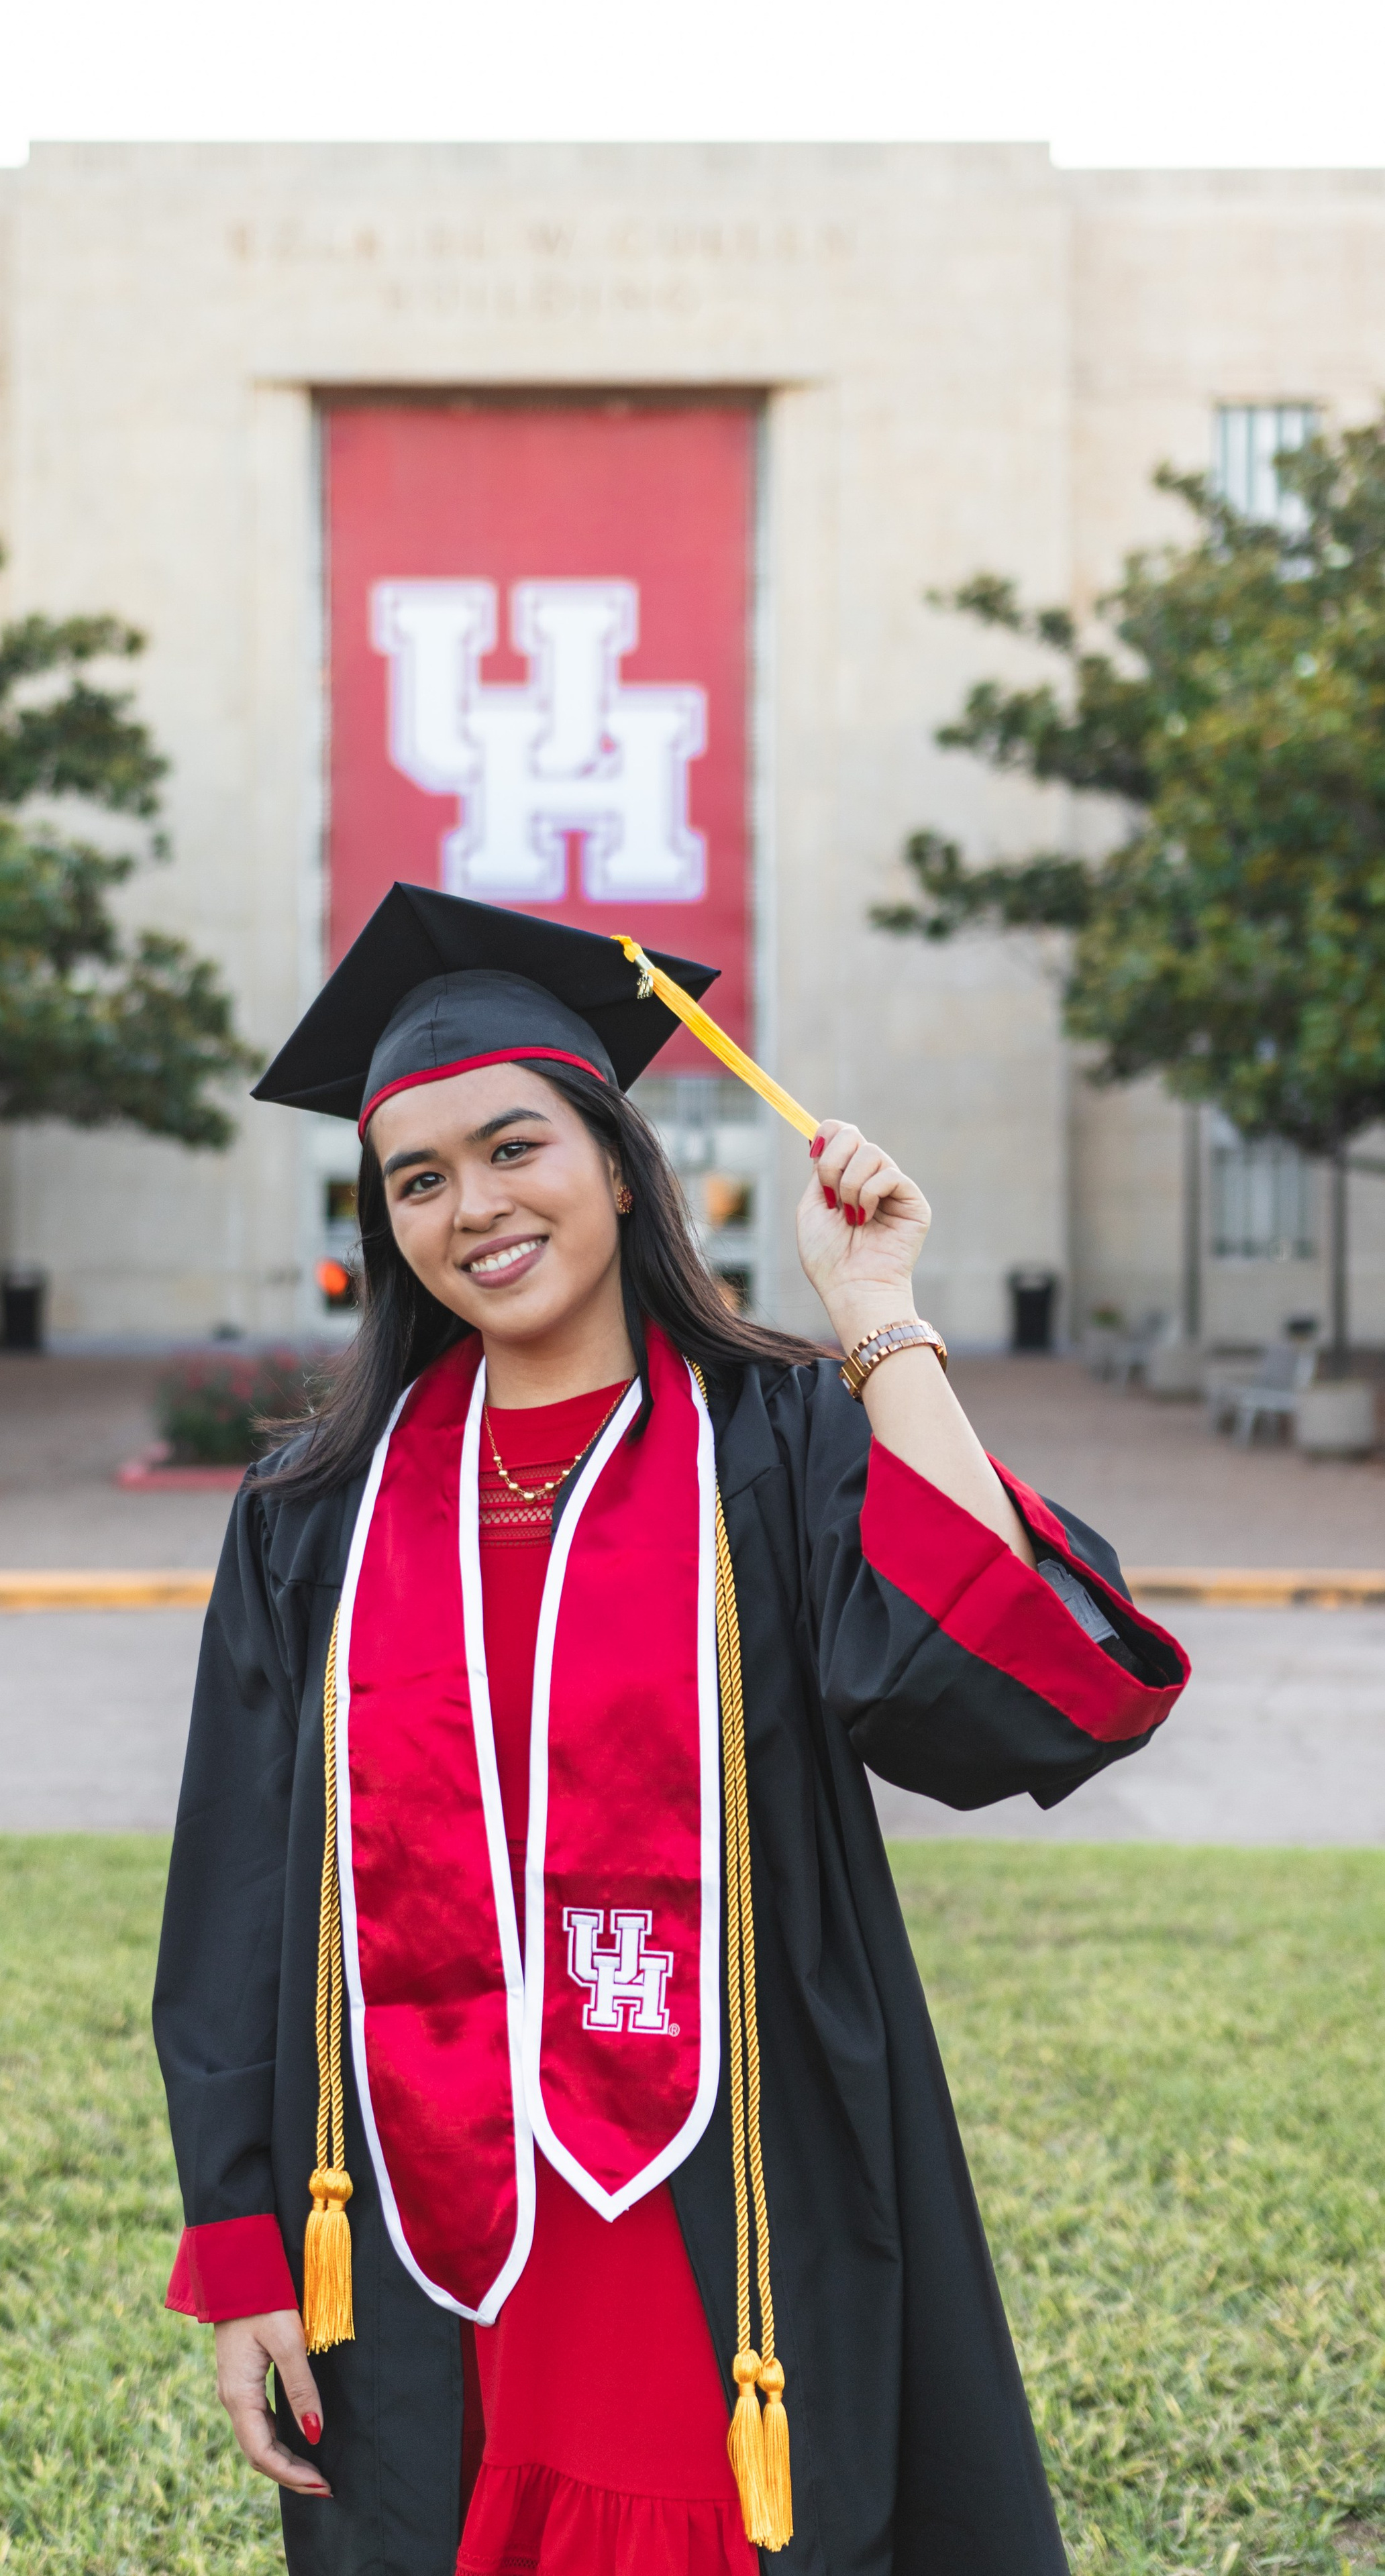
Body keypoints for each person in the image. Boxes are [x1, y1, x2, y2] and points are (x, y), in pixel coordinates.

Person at [153, 882, 1190, 2576]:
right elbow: (237, 1902)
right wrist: (245, 2251)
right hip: (422, 2227)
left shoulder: (770, 1446)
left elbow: (1013, 1694)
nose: (470, 1207)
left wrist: (879, 1321)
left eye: (512, 1148)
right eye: (416, 1179)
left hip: (731, 2199)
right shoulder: (312, 1516)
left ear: (619, 1162)